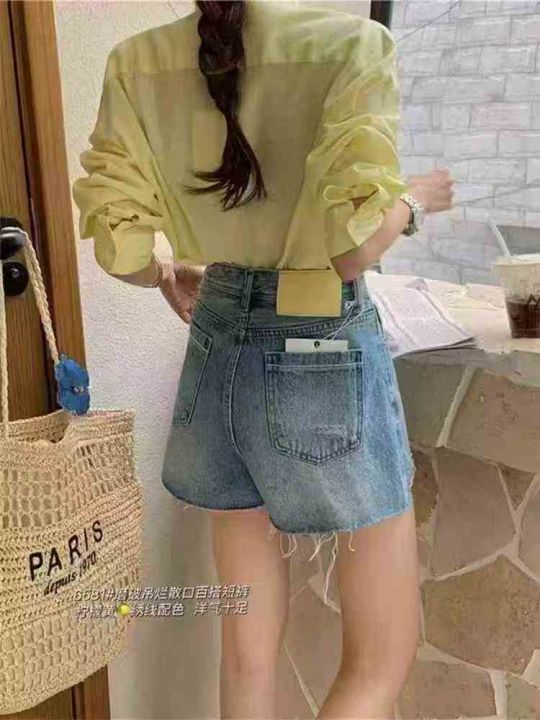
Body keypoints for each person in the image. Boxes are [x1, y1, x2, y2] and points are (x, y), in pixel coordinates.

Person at [72, 1, 454, 718]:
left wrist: (166, 271)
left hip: (217, 338)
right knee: (381, 657)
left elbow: (124, 250)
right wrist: (416, 202)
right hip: (319, 339)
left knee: (246, 658)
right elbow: (350, 252)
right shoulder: (352, 45)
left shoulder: (136, 62)